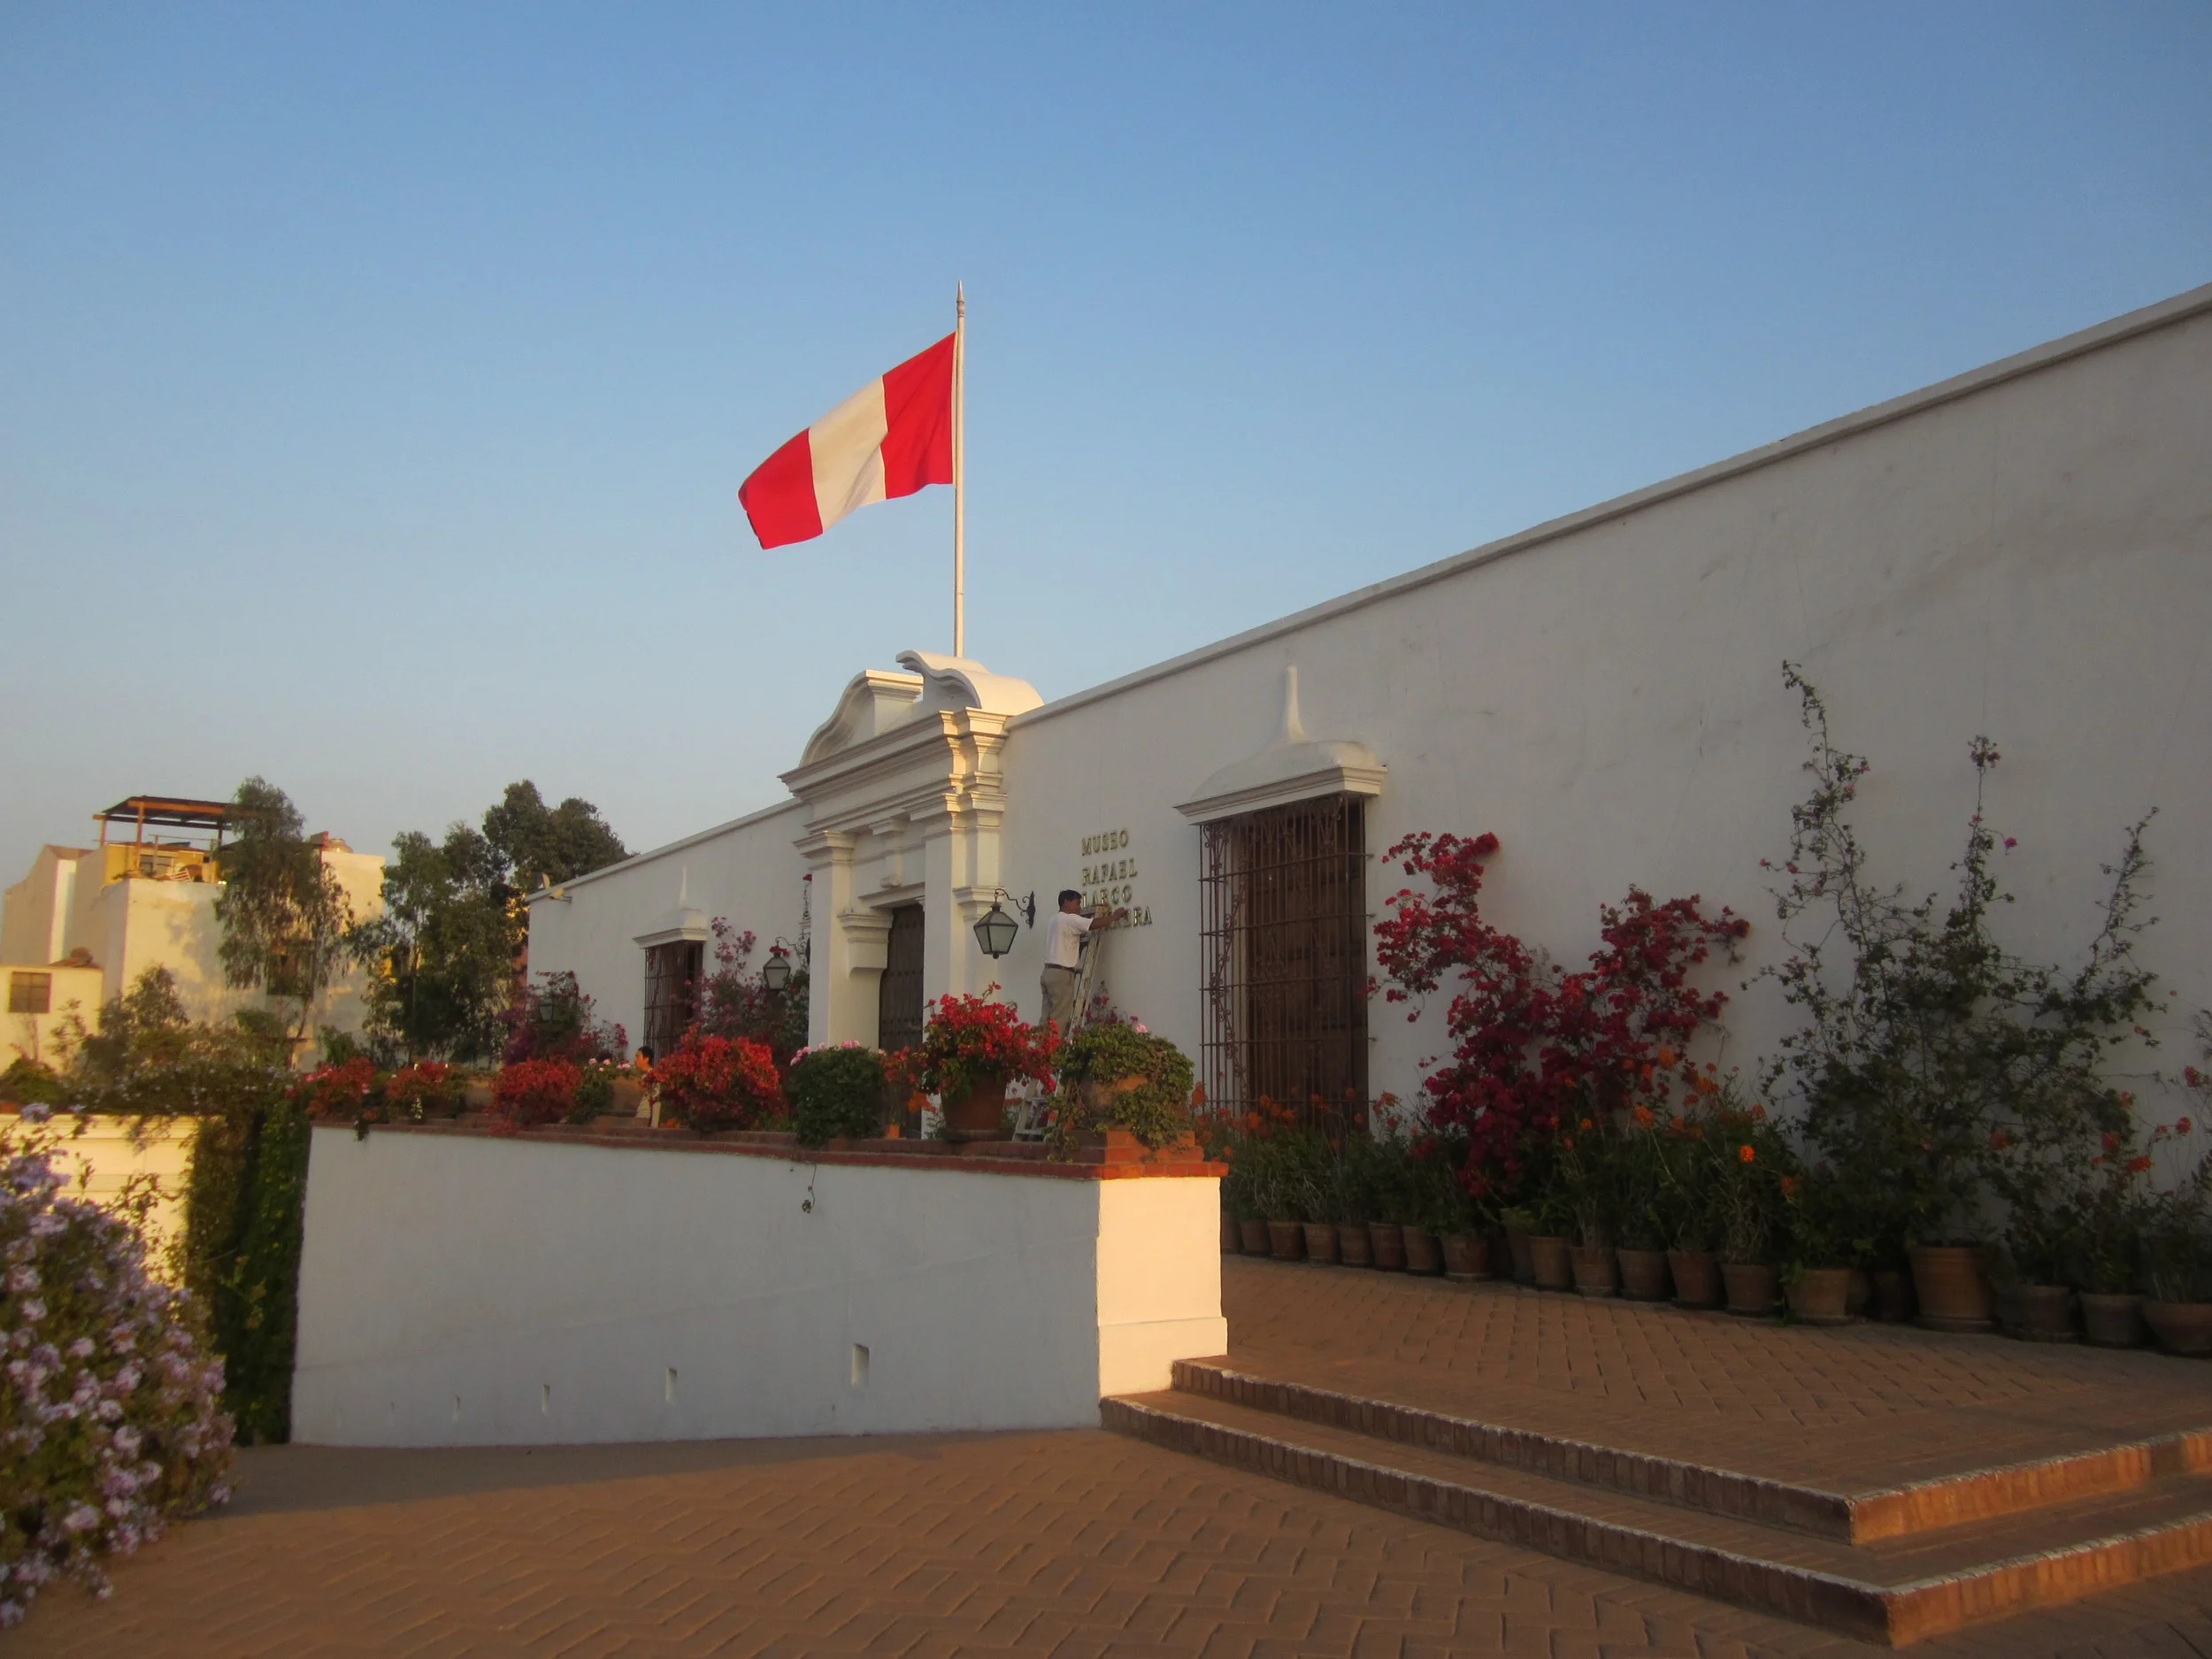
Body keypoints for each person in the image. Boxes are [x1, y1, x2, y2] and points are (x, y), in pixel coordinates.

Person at [1041, 889, 1123, 1031]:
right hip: (1061, 974)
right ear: (1066, 902)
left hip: (1048, 972)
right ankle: (1054, 1045)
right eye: (1077, 903)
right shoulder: (1069, 919)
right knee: (1059, 1018)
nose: (1079, 908)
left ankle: (1040, 1044)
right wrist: (1114, 917)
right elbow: (1093, 924)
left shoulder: (1054, 920)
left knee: (1046, 1018)